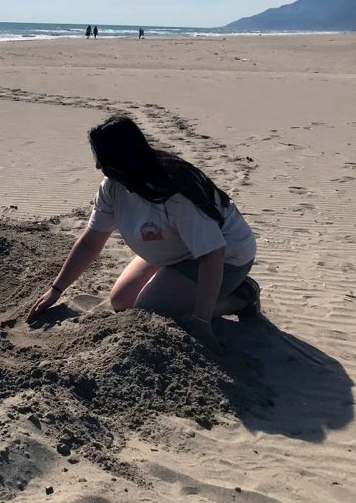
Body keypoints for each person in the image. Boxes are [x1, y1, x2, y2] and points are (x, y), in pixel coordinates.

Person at [26, 115, 260, 353]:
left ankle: (242, 296)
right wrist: (56, 290)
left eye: (102, 158)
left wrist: (202, 322)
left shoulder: (174, 194)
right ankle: (187, 290)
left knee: (152, 313)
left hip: (225, 256)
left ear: (121, 158)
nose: (97, 166)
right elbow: (90, 242)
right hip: (175, 249)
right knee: (121, 301)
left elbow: (212, 255)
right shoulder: (112, 186)